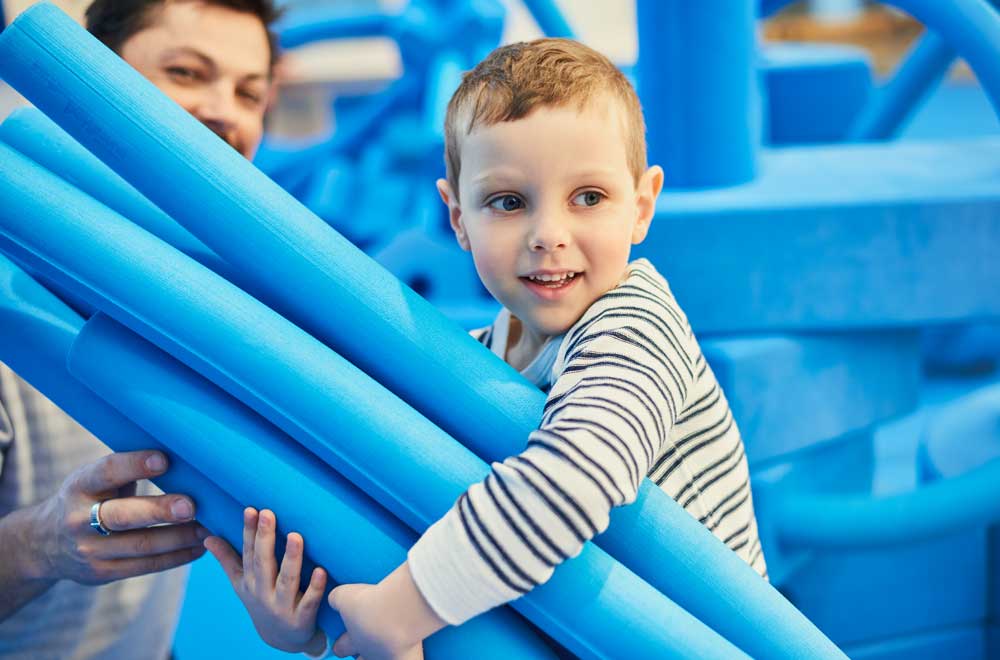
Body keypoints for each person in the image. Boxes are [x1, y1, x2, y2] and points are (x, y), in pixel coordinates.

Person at [206, 38, 769, 659]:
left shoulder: (636, 328)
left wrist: (398, 611)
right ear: (457, 218)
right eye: (508, 202)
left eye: (589, 198)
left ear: (641, 206)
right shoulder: (477, 362)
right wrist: (304, 622)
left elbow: (574, 478)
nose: (548, 236)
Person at [0, 1, 279, 657]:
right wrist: (39, 544)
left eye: (250, 92)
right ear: (89, 86)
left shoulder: (228, 297)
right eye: (186, 72)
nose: (225, 112)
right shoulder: (14, 300)